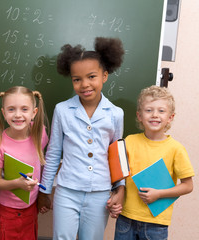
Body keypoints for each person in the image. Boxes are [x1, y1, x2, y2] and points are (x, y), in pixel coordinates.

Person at [37, 37, 125, 240]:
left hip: (100, 193)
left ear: (104, 76)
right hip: (67, 191)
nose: (84, 84)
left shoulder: (116, 114)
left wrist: (120, 190)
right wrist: (44, 190)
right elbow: (53, 153)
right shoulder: (63, 110)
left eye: (91, 76)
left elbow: (117, 156)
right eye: (77, 79)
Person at [114, 85, 194, 240]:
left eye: (161, 111)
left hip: (156, 224)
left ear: (170, 117)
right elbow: (119, 176)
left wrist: (159, 194)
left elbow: (188, 185)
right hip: (126, 218)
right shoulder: (129, 141)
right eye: (149, 110)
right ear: (139, 115)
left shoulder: (176, 149)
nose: (154, 115)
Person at [0, 86, 49, 240]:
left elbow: (41, 163)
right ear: (3, 112)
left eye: (24, 109)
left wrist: (41, 195)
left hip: (31, 209)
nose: (18, 115)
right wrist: (17, 183)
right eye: (11, 109)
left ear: (34, 113)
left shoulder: (40, 134)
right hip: (6, 212)